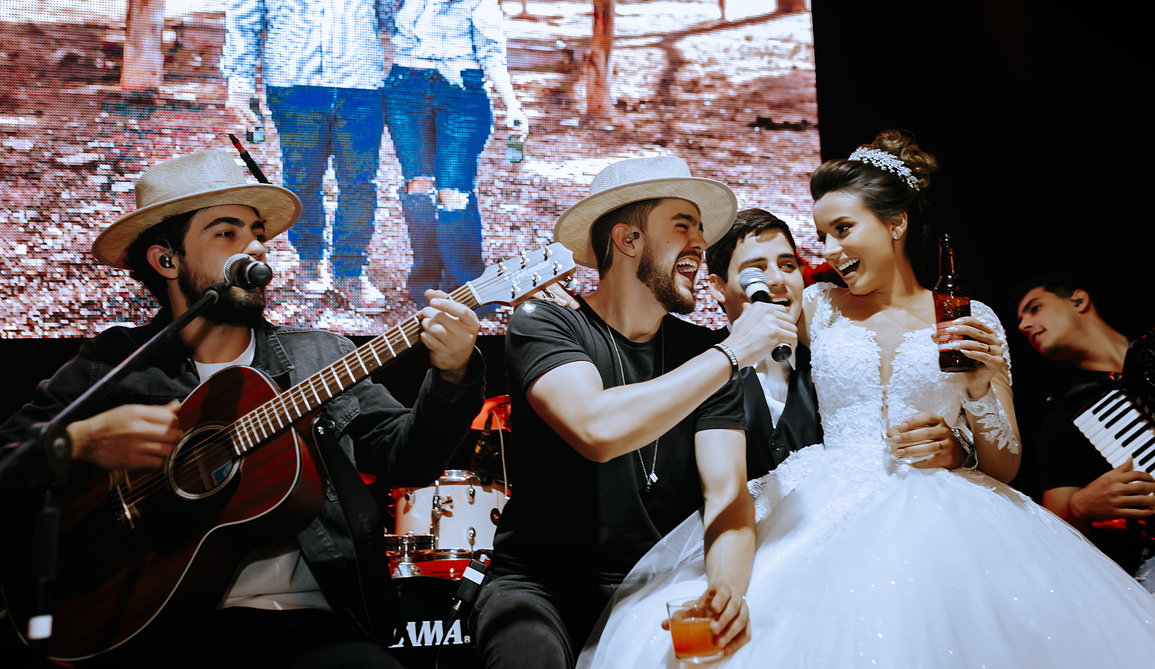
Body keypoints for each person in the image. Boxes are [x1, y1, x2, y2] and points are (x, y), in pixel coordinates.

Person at [580, 131, 1155, 668]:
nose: (828, 250)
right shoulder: (820, 307)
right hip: (828, 493)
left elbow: (1005, 465)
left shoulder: (970, 318)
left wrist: (976, 395)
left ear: (896, 224)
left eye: (842, 229)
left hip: (950, 514)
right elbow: (750, 313)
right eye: (823, 234)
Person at [0, 150, 486, 668]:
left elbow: (408, 459)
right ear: (166, 260)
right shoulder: (114, 366)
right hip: (161, 629)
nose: (255, 247)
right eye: (227, 233)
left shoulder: (319, 357)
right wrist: (76, 444)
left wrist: (454, 375)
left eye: (257, 232)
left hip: (315, 628)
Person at [471, 156, 799, 668]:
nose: (700, 245)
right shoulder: (545, 322)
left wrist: (727, 588)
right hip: (541, 590)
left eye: (701, 231)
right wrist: (731, 353)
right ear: (627, 240)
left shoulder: (705, 354)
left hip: (657, 587)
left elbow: (726, 494)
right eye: (682, 227)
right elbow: (595, 427)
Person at [222, 0, 389, 313]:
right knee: (302, 179)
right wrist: (239, 86)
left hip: (362, 92)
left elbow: (394, 28)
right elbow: (243, 30)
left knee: (361, 183)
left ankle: (352, 270)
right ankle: (310, 261)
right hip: (295, 91)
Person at [382, 0, 529, 307]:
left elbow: (493, 55)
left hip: (461, 94)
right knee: (419, 187)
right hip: (404, 91)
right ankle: (426, 284)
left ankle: (467, 288)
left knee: (454, 192)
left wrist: (513, 105)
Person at [1016, 275, 1155, 588]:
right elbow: (1052, 532)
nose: (1024, 325)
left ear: (1078, 301)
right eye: (1020, 320)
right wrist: (1078, 506)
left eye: (1034, 309)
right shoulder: (1063, 419)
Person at [705, 208, 823, 479]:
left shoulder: (828, 360)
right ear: (717, 287)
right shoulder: (697, 359)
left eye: (787, 265)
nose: (778, 280)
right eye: (755, 270)